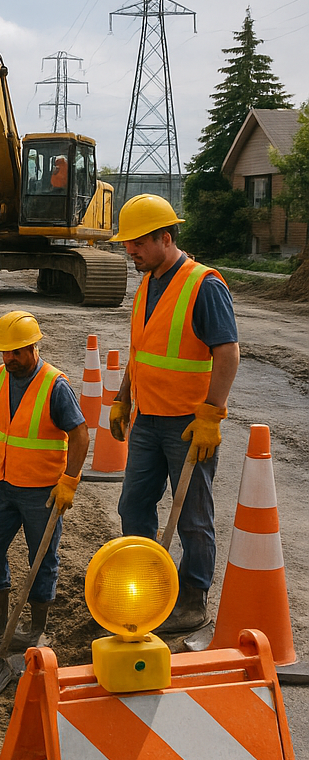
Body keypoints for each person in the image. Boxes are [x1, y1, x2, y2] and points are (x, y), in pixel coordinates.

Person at [109, 194, 240, 633]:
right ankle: (149, 583)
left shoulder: (204, 285)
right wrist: (123, 396)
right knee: (133, 506)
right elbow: (141, 351)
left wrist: (211, 415)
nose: (131, 252)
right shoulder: (148, 280)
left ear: (165, 238)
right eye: (127, 244)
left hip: (188, 425)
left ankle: (192, 598)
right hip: (146, 419)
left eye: (138, 244)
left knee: (192, 515)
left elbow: (228, 353)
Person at [0, 311, 89, 648]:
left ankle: (37, 627)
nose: (9, 359)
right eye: (4, 352)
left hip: (42, 491)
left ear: (33, 347)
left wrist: (69, 481)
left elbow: (80, 435)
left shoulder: (55, 385)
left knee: (42, 558)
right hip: (3, 483)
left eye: (16, 352)